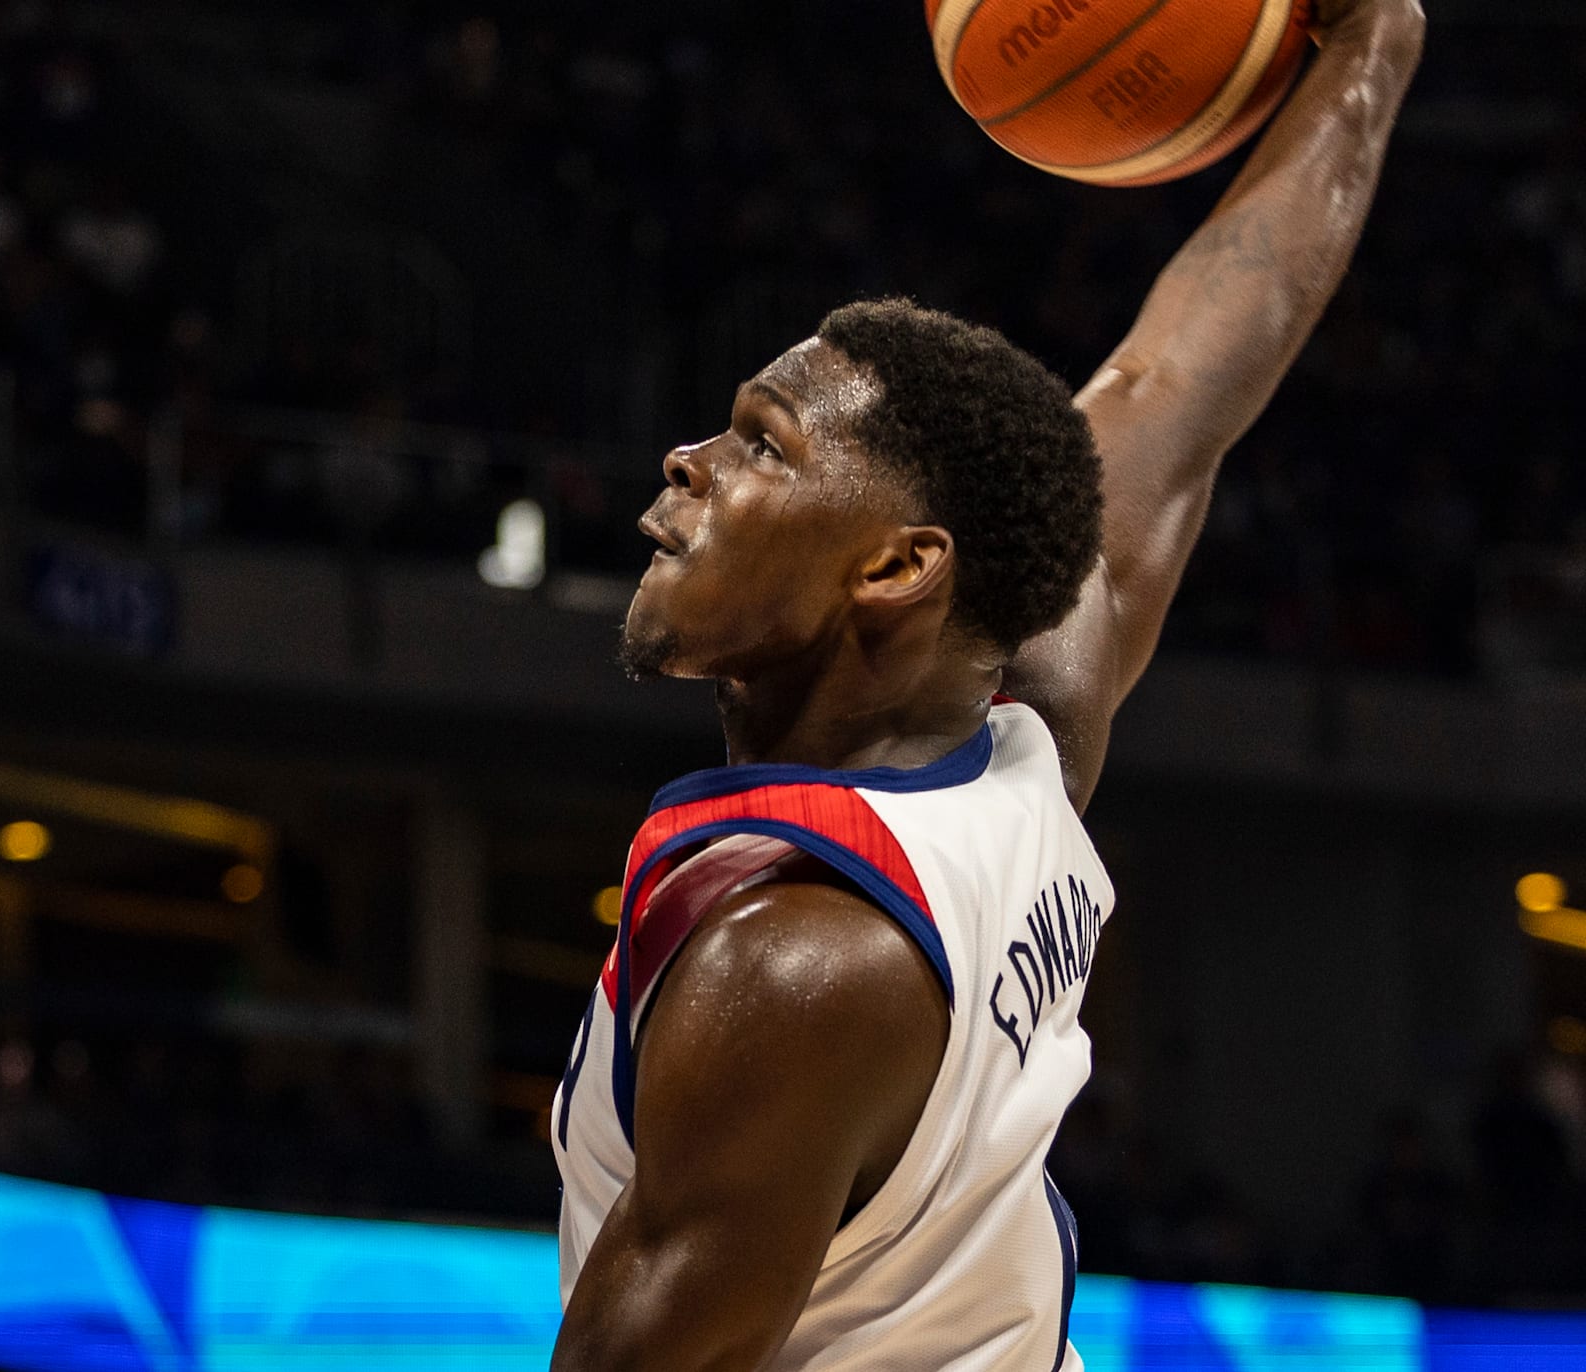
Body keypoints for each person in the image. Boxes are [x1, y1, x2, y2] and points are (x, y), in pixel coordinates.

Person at [548, 3, 1428, 1368]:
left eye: (759, 445)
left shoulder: (793, 965)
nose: (684, 463)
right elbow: (1179, 364)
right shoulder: (1023, 760)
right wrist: (1373, 46)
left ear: (896, 567)